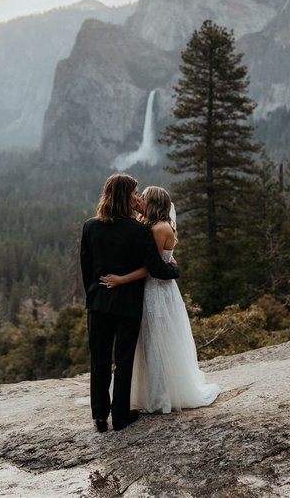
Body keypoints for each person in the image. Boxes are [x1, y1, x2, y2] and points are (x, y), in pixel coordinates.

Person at [100, 186, 220, 413]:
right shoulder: (152, 224)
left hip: (156, 291)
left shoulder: (158, 229)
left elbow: (151, 268)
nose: (140, 200)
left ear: (153, 202)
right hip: (154, 289)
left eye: (143, 197)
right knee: (148, 343)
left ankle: (158, 396)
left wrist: (120, 279)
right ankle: (149, 392)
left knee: (155, 343)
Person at [80, 174, 180, 433]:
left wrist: (94, 295)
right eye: (135, 193)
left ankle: (100, 418)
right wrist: (175, 269)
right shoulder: (138, 230)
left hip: (99, 304)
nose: (137, 198)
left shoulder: (90, 226)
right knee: (124, 360)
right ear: (125, 196)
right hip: (128, 305)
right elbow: (155, 268)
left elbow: (87, 269)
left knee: (99, 360)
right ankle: (121, 416)